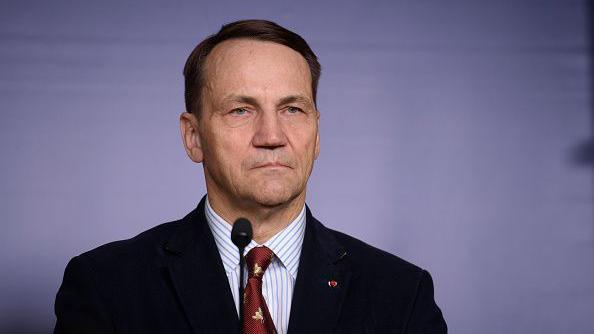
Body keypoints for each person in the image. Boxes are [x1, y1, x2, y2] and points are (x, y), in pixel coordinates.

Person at [54, 19, 447, 334]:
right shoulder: (107, 286)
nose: (272, 137)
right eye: (241, 110)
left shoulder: (401, 293)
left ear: (317, 133)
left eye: (293, 109)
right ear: (194, 137)